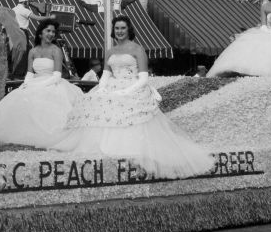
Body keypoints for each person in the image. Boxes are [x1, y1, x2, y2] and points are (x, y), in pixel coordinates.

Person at [53, 16, 215, 179]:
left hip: (134, 86)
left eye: (123, 28)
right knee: (93, 102)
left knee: (126, 108)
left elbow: (143, 78)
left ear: (129, 30)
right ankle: (101, 147)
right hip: (112, 85)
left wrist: (126, 92)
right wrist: (102, 88)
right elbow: (105, 74)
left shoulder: (137, 50)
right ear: (113, 30)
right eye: (117, 28)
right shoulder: (110, 51)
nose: (119, 31)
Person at [0, 19, 84, 148]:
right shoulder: (33, 52)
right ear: (40, 33)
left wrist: (38, 86)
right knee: (16, 98)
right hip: (35, 82)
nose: (51, 34)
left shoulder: (56, 50)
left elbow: (57, 75)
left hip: (52, 83)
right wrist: (27, 84)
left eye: (53, 32)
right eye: (48, 31)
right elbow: (29, 73)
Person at [11, 0, 49, 78]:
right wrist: (48, 17)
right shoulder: (24, 10)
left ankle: (13, 72)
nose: (29, 3)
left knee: (16, 52)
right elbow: (37, 18)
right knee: (24, 53)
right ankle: (20, 74)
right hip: (22, 32)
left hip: (14, 32)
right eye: (28, 1)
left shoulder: (13, 9)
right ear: (24, 2)